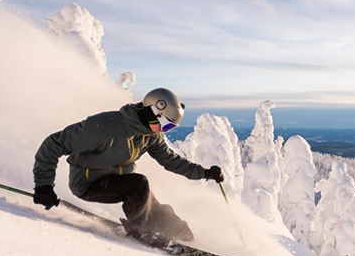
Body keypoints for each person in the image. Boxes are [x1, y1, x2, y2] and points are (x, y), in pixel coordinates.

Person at [32, 88, 224, 244]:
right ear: (153, 111)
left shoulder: (150, 135)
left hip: (121, 183)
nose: (164, 131)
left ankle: (186, 241)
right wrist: (43, 186)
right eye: (165, 125)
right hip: (89, 183)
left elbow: (170, 160)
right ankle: (144, 233)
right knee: (139, 184)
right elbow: (53, 144)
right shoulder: (105, 126)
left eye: (169, 128)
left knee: (166, 216)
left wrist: (204, 172)